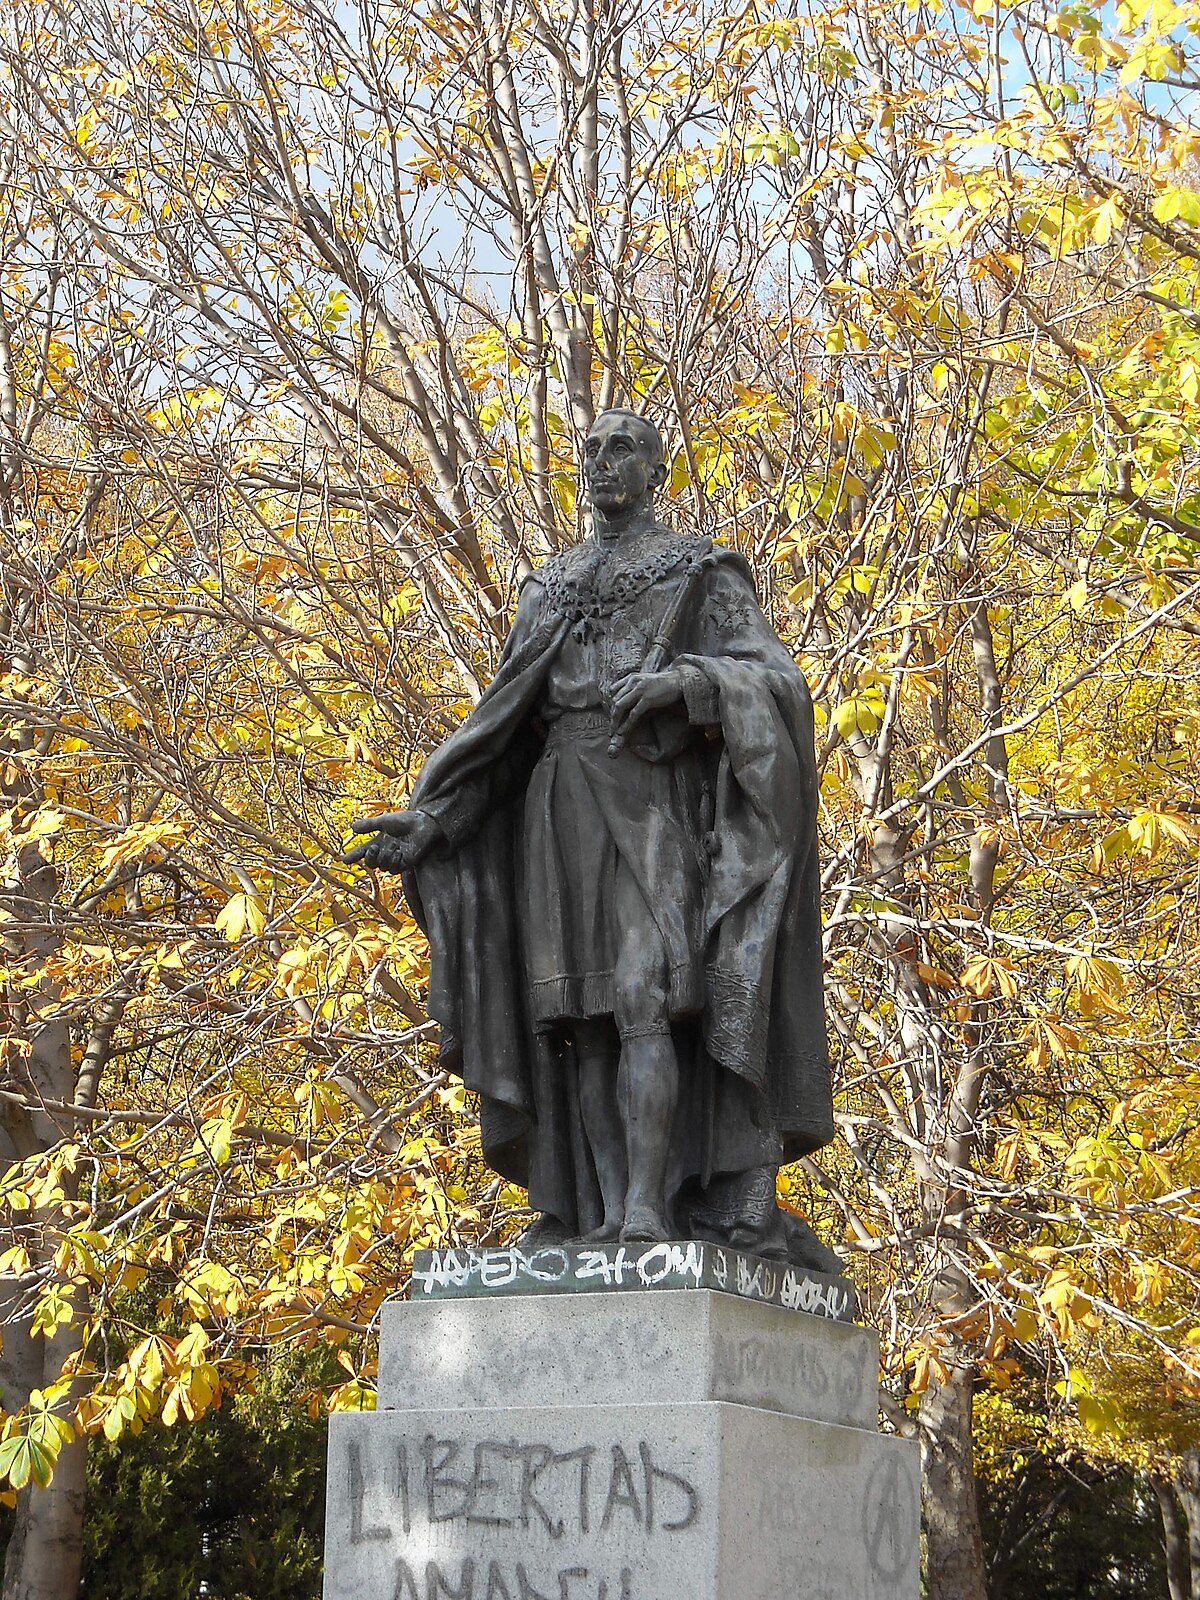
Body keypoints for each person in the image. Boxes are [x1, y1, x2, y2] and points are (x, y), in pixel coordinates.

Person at [346, 410, 837, 1266]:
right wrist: (434, 823)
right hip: (553, 807)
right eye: (591, 451)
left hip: (650, 803)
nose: (602, 464)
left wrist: (689, 682)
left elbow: (778, 684)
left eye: (622, 450)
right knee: (580, 1016)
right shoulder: (549, 588)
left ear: (656, 467)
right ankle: (602, 1215)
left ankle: (648, 1211)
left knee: (645, 998)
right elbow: (501, 740)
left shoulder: (700, 572)